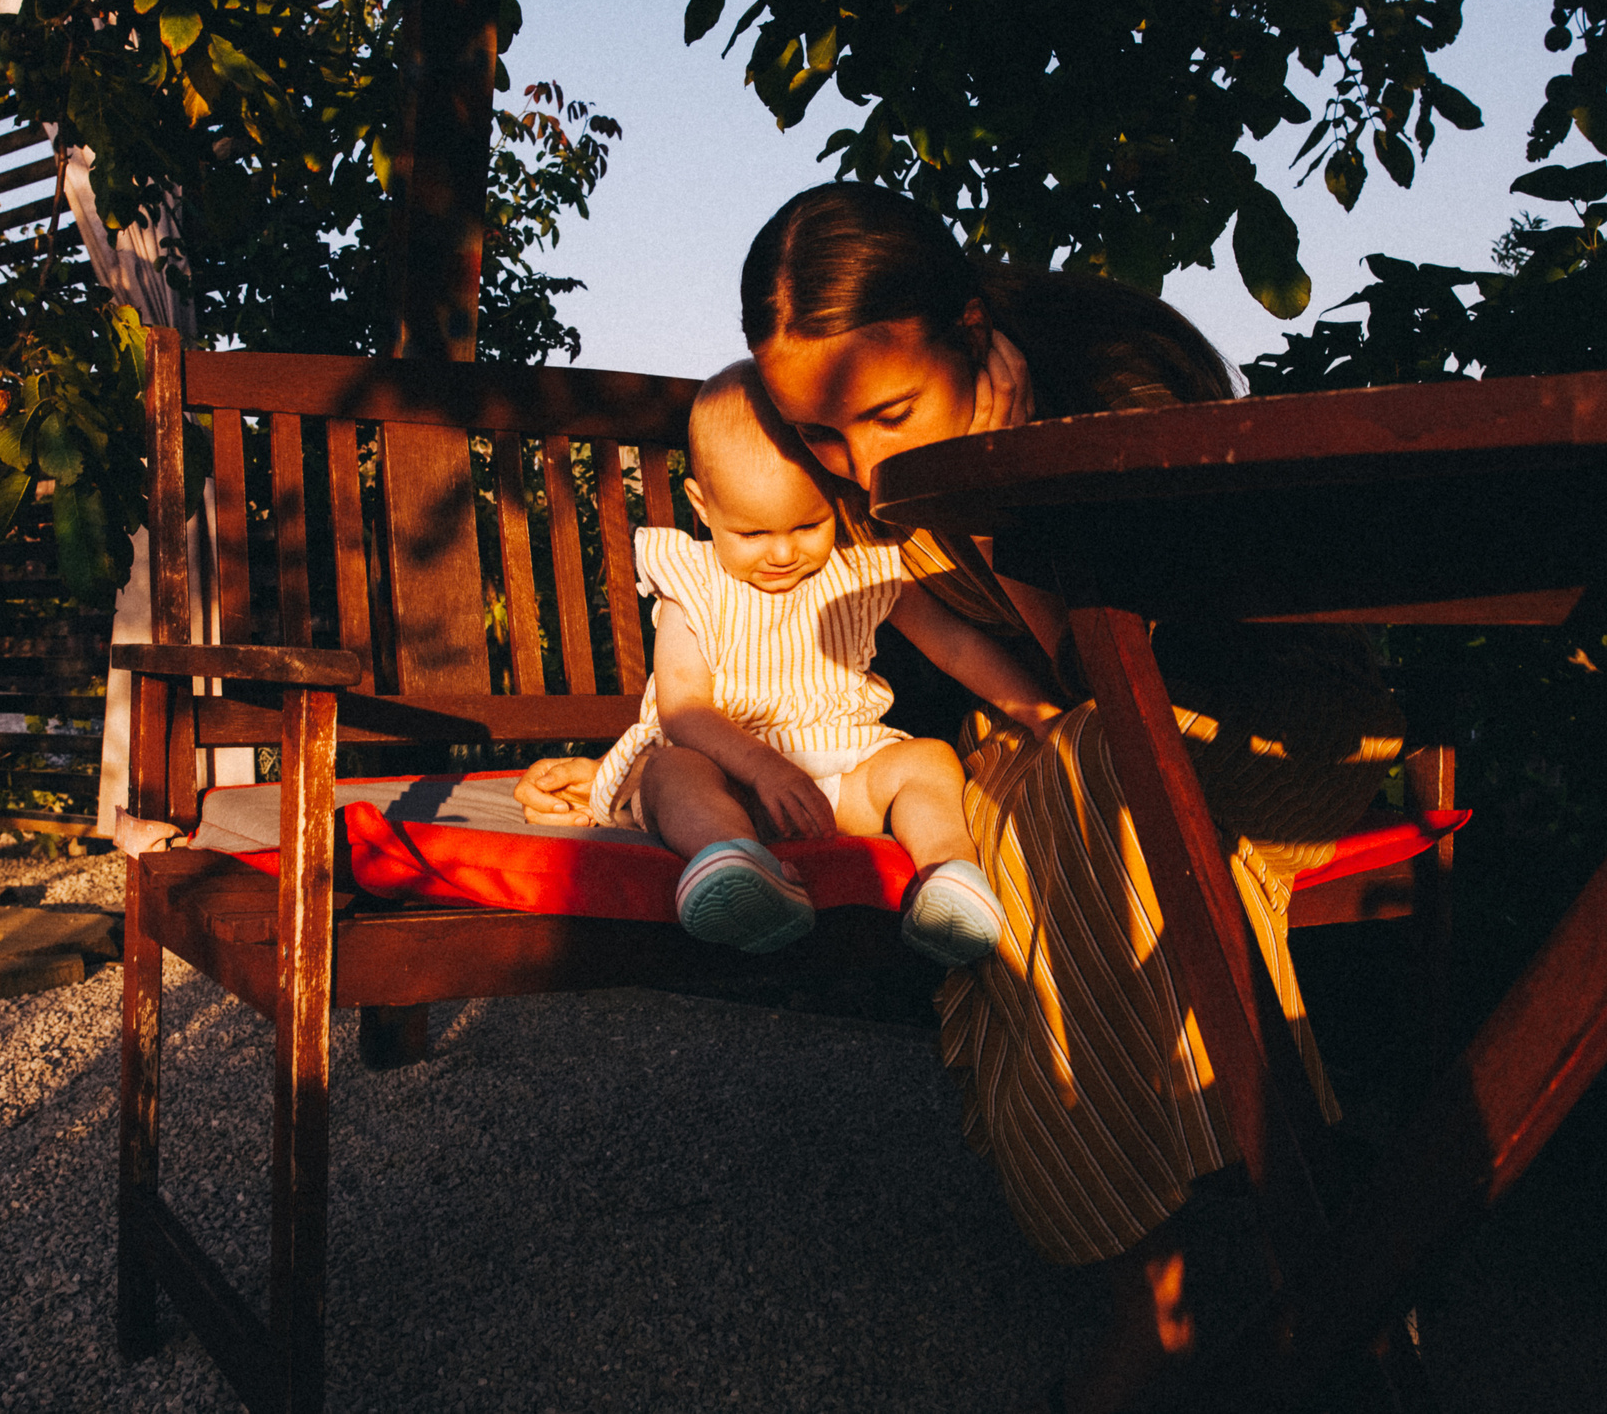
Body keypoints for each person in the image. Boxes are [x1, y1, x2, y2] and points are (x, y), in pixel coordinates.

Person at [518, 183, 1405, 1414]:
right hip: (1091, 735)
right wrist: (645, 768)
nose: (862, 464)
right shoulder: (878, 478)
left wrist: (1009, 507)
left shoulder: (1114, 387)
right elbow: (791, 647)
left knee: (1076, 796)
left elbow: (1125, 666)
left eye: (888, 413)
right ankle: (1213, 1249)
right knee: (997, 845)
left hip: (1266, 716)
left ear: (975, 328)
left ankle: (1232, 1250)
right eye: (822, 437)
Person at [554, 360, 1061, 966]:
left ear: (833, 497)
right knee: (671, 771)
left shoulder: (863, 568)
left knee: (927, 760)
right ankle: (734, 862)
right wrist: (766, 769)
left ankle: (947, 876)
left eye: (808, 524)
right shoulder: (693, 580)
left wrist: (1039, 712)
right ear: (703, 506)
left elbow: (953, 646)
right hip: (730, 777)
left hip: (842, 778)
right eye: (752, 533)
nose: (783, 552)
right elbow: (683, 708)